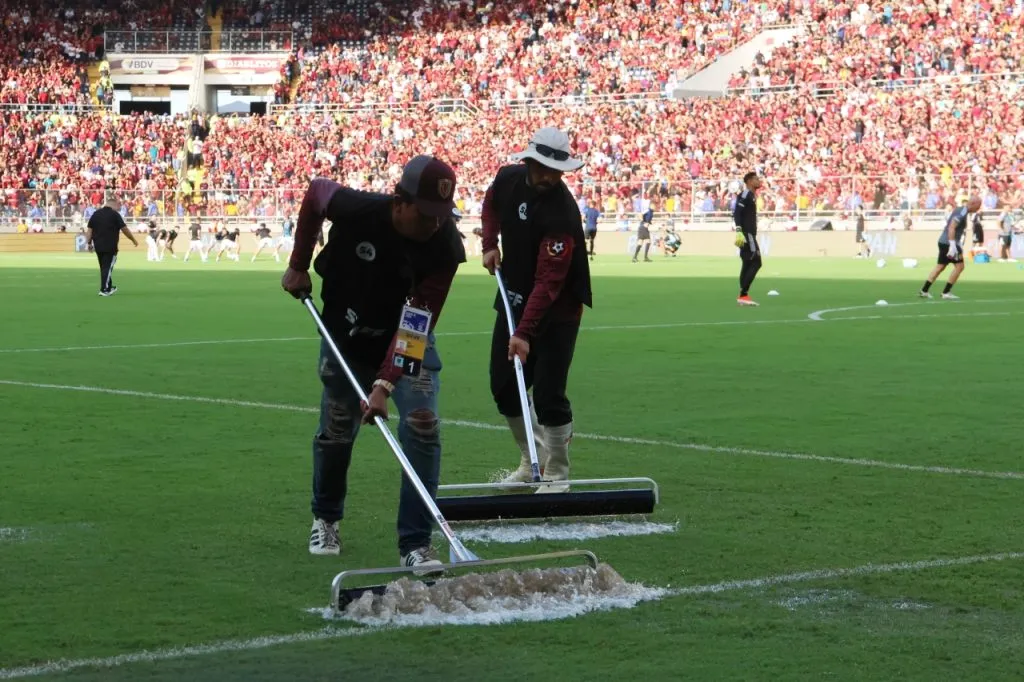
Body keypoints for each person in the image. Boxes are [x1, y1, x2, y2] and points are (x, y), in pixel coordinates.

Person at [280, 155, 463, 574]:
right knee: (338, 425)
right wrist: (298, 264)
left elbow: (418, 321)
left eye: (442, 216)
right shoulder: (356, 206)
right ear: (400, 202)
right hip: (344, 333)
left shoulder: (444, 246)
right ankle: (326, 518)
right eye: (426, 214)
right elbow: (313, 194)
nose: (435, 223)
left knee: (421, 424)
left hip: (404, 335)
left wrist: (385, 383)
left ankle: (416, 544)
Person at [480, 126, 592, 493]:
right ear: (527, 161)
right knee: (504, 386)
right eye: (541, 167)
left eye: (555, 170)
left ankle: (557, 473)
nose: (547, 176)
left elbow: (549, 283)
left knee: (548, 393)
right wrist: (489, 243)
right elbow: (490, 201)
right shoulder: (509, 179)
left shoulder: (562, 213)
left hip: (557, 312)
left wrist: (523, 334)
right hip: (513, 298)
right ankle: (532, 463)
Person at [920, 196, 981, 300]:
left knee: (940, 266)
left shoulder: (961, 210)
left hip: (943, 241)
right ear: (973, 203)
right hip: (949, 242)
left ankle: (924, 290)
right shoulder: (962, 212)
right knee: (959, 267)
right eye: (978, 206)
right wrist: (952, 245)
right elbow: (952, 227)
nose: (978, 208)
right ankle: (946, 292)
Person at [86, 195, 138, 296]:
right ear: (113, 204)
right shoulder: (115, 214)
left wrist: (89, 243)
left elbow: (89, 231)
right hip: (110, 246)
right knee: (108, 267)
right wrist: (133, 240)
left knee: (104, 267)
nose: (118, 207)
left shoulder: (95, 214)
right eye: (118, 205)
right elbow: (124, 229)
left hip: (98, 246)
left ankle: (109, 286)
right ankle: (104, 289)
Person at [733, 171, 763, 306]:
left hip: (747, 233)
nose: (759, 181)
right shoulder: (746, 194)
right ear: (750, 181)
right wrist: (739, 229)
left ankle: (742, 296)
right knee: (756, 262)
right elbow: (737, 212)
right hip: (747, 234)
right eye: (756, 179)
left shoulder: (751, 196)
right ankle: (743, 295)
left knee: (746, 263)